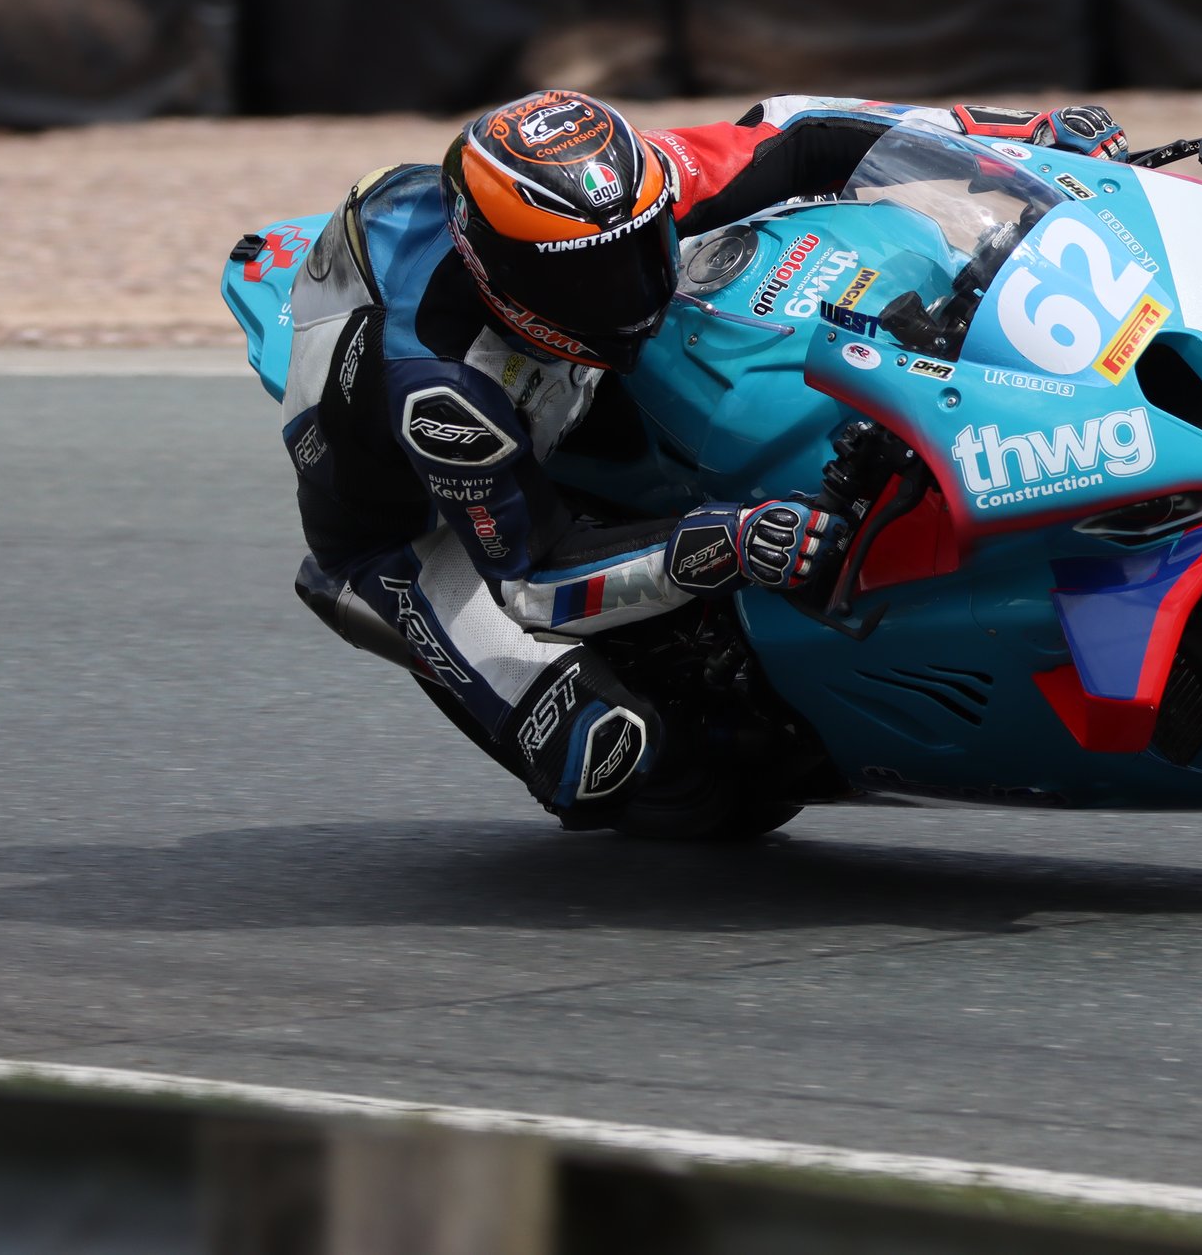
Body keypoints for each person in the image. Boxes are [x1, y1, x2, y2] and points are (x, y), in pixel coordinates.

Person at [280, 90, 1128, 827]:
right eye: (593, 279)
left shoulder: (618, 202)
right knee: (603, 751)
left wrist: (1015, 138)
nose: (633, 285)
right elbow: (530, 574)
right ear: (503, 276)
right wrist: (723, 542)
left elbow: (805, 131)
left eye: (641, 245)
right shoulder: (443, 391)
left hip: (543, 362)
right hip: (411, 532)